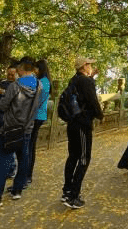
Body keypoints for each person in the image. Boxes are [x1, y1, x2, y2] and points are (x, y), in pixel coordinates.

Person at [0, 60, 42, 208]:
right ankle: (17, 189)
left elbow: (2, 106)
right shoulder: (39, 85)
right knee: (23, 158)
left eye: (18, 69)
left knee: (3, 162)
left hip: (10, 128)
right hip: (27, 127)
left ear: (21, 69)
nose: (16, 73)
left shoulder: (15, 86)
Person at [61, 56, 104, 209]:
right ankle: (73, 196)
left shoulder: (74, 80)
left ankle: (67, 191)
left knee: (73, 156)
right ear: (84, 66)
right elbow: (92, 100)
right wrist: (100, 115)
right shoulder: (86, 81)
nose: (91, 67)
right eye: (89, 65)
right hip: (82, 124)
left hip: (72, 124)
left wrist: (91, 78)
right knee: (84, 158)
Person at [26, 58, 51, 185]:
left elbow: (37, 101)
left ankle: (28, 175)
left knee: (30, 146)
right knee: (30, 145)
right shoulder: (43, 81)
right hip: (38, 116)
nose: (34, 70)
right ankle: (27, 174)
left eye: (35, 68)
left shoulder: (43, 82)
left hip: (36, 116)